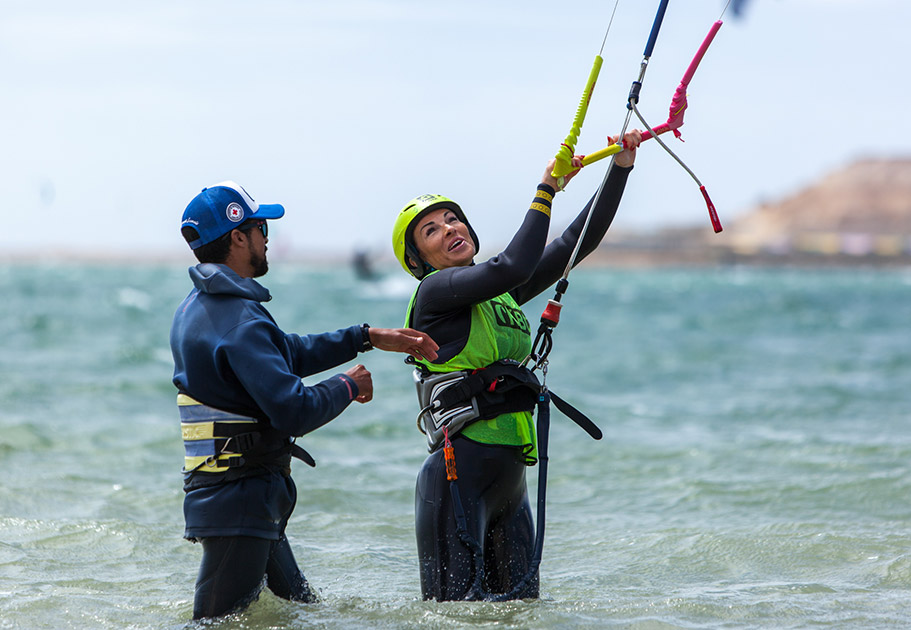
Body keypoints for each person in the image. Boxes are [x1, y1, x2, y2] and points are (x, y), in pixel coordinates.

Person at [391, 131, 643, 601]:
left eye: (453, 219)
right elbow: (512, 265)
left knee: (520, 616)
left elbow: (574, 242)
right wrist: (545, 190)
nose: (449, 228)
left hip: (510, 484)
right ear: (417, 259)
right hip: (456, 479)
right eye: (432, 231)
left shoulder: (498, 295)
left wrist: (620, 168)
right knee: (456, 621)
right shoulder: (435, 294)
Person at [170, 181, 439, 620]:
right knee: (213, 623)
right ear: (238, 236)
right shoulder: (236, 319)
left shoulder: (201, 307)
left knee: (305, 614)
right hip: (238, 503)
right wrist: (348, 385)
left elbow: (283, 353)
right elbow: (294, 409)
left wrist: (365, 337)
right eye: (260, 227)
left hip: (244, 498)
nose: (267, 237)